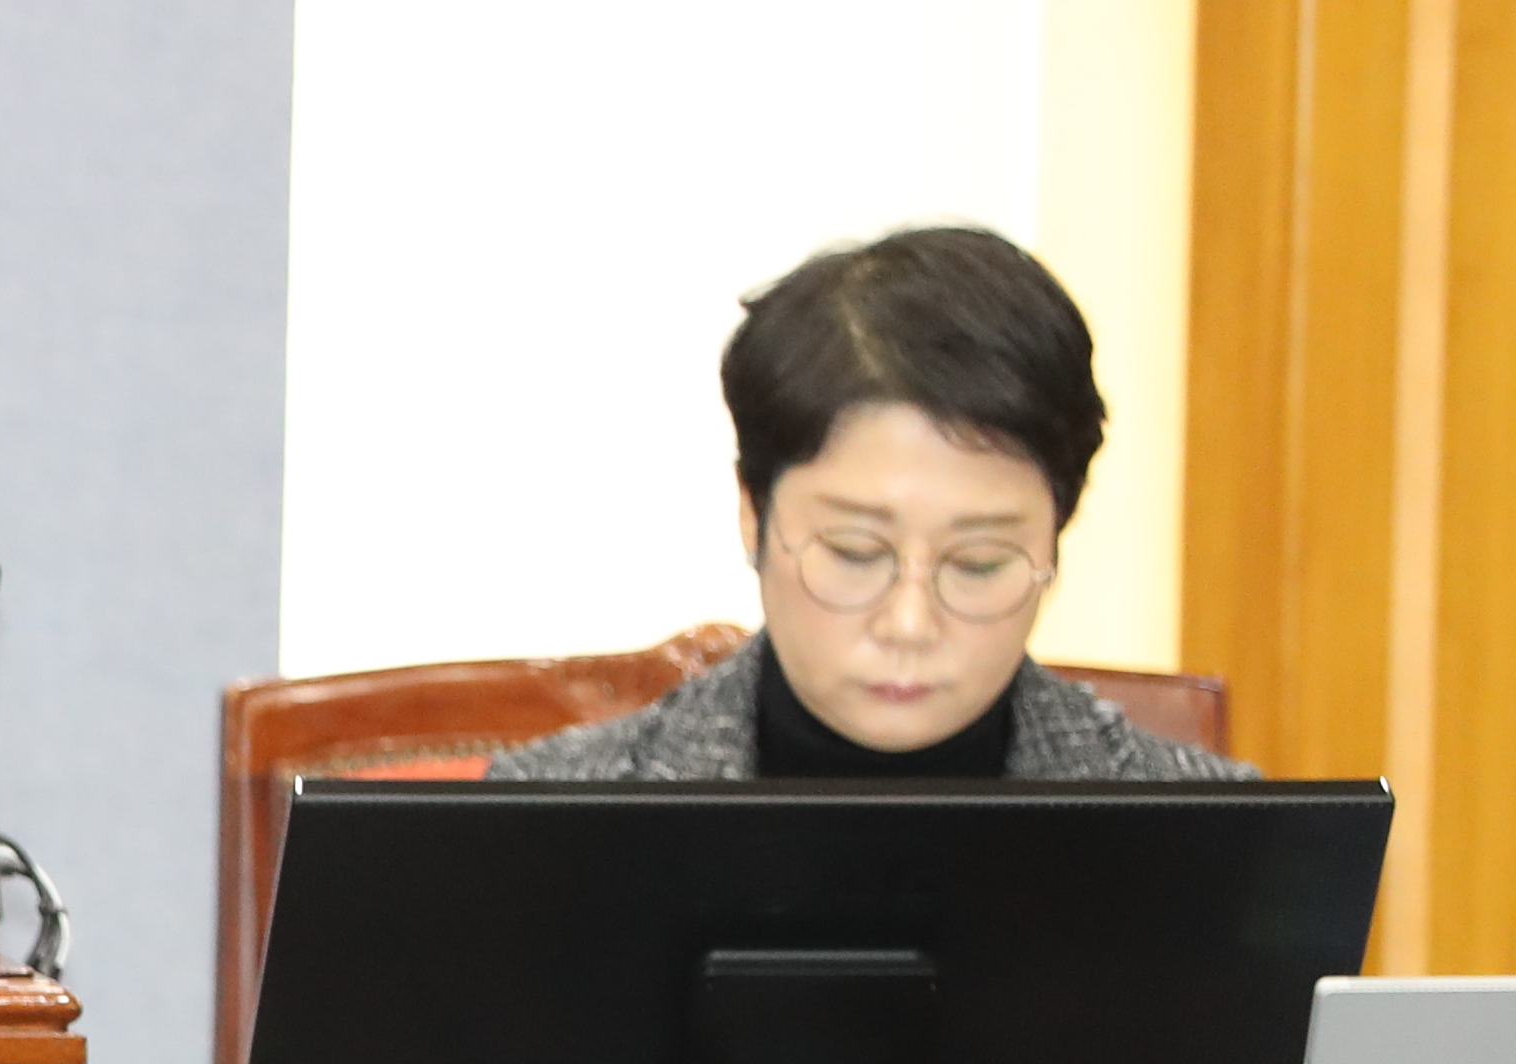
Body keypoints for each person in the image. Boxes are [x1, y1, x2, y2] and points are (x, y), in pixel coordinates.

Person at [496, 226, 1249, 786]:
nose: (909, 626)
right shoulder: (547, 815)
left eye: (979, 563)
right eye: (855, 553)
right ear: (753, 516)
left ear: (1055, 538)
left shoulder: (1216, 839)